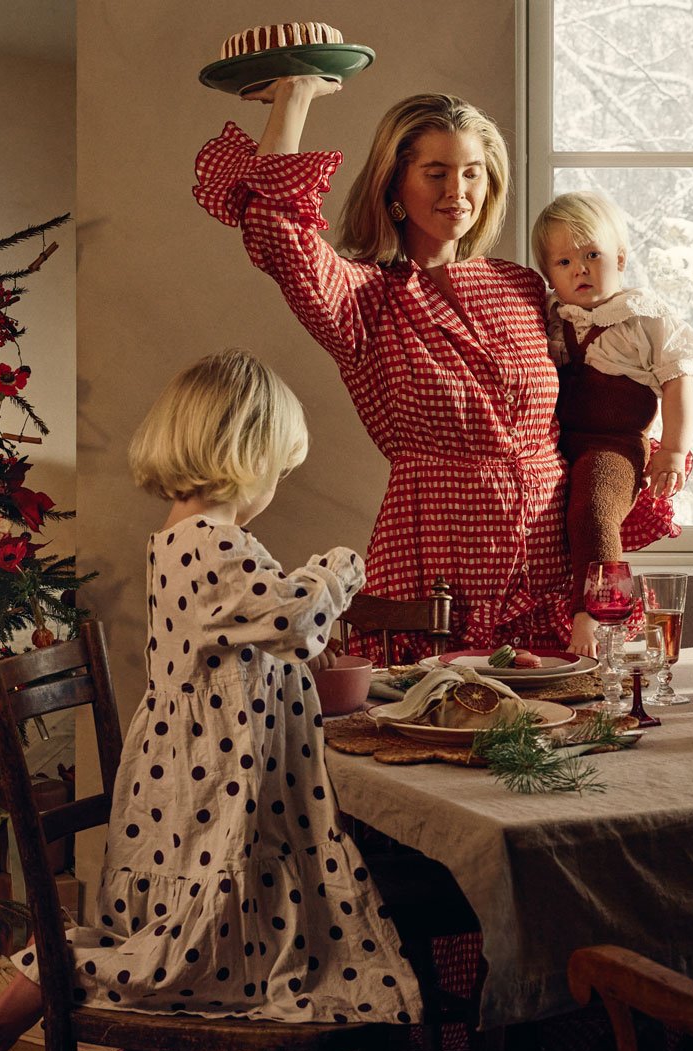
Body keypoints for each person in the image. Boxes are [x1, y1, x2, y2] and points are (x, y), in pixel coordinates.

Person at [0, 349, 421, 1051]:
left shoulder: (187, 539)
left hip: (197, 772)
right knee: (194, 944)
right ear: (244, 455)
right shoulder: (211, 545)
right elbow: (297, 619)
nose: (276, 485)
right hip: (210, 786)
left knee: (221, 925)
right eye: (278, 468)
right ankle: (56, 968)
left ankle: (65, 967)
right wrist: (340, 566)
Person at [194, 81, 571, 658]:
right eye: (437, 172)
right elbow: (277, 232)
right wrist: (292, 99)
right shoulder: (364, 298)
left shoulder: (520, 285)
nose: (458, 192)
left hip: (547, 554)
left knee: (557, 732)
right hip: (436, 558)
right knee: (437, 731)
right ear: (395, 185)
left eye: (472, 172)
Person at [530, 191, 693, 656]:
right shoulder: (552, 317)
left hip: (615, 444)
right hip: (555, 444)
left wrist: (671, 449)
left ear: (620, 258)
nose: (579, 269)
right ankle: (541, 620)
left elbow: (678, 378)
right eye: (564, 262)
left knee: (594, 505)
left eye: (592, 255)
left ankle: (600, 615)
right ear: (550, 275)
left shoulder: (643, 316)